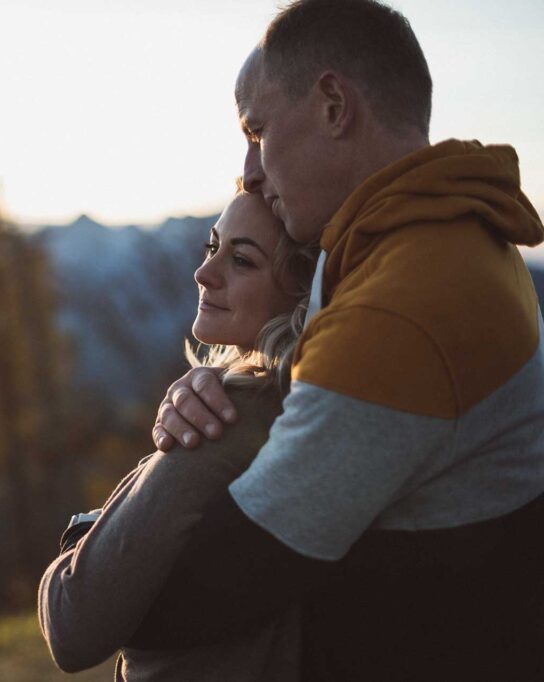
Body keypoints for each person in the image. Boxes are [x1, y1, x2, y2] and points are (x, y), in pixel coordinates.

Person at [143, 1, 544, 680]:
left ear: (333, 105)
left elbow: (221, 578)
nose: (251, 171)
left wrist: (92, 553)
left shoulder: (400, 308)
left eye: (258, 129)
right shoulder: (448, 235)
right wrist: (221, 383)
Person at [38, 184, 319, 681]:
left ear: (300, 293)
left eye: (243, 261)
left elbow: (72, 625)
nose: (203, 272)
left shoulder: (228, 420)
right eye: (213, 247)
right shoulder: (301, 401)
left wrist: (79, 539)